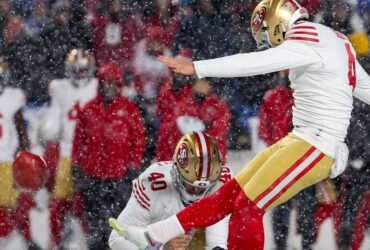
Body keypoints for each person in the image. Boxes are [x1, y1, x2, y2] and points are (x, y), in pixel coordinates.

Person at [114, 0, 370, 249]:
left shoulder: (306, 39)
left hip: (316, 144)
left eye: (267, 34)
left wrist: (198, 67)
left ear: (277, 22)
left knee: (248, 207)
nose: (269, 43)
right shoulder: (336, 40)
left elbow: (253, 64)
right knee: (229, 194)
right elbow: (365, 88)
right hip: (301, 139)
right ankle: (153, 235)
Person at [109, 132, 233, 250]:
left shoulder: (223, 182)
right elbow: (116, 239)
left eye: (202, 188)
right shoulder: (154, 185)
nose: (196, 191)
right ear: (176, 173)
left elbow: (217, 241)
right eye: (190, 185)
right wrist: (161, 247)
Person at [72, 63, 146, 250]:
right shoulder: (89, 109)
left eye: (113, 83)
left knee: (118, 223)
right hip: (92, 175)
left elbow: (139, 139)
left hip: (119, 176)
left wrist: (133, 165)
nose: (109, 87)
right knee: (94, 223)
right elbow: (78, 141)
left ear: (119, 84)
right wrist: (77, 167)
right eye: (106, 83)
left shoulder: (129, 110)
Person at [39, 49, 97, 249]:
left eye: (83, 69)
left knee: (86, 201)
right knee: (60, 201)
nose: (80, 73)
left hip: (89, 152)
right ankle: (54, 241)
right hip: (67, 151)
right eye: (76, 69)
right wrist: (48, 129)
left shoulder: (98, 87)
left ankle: (91, 237)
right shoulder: (60, 88)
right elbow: (53, 120)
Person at [0, 58, 40, 249]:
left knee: (18, 202)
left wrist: (24, 152)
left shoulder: (12, 97)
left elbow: (20, 128)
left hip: (8, 161)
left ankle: (26, 237)